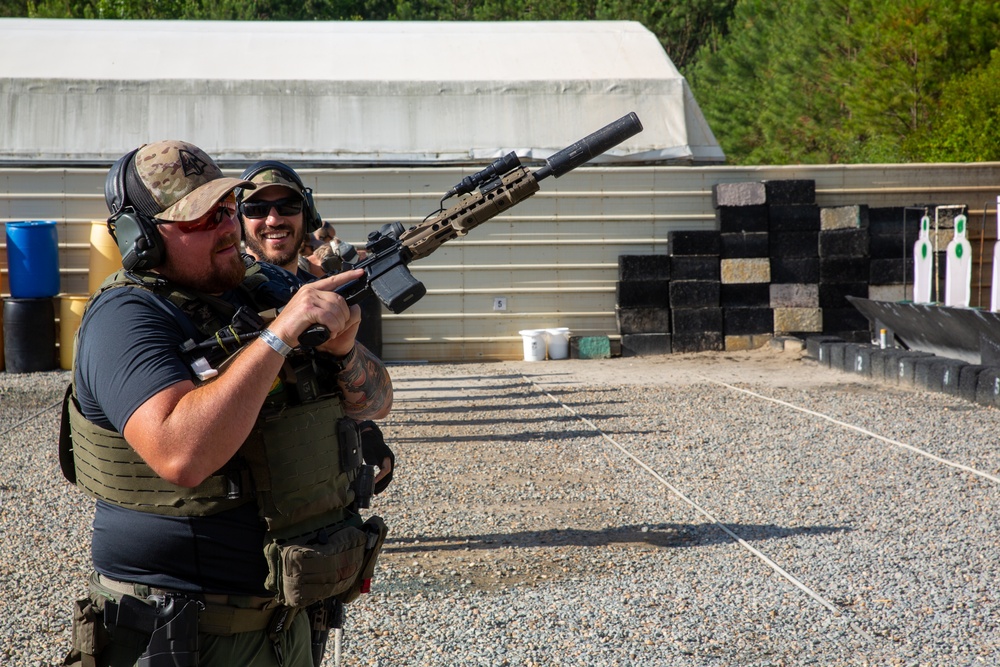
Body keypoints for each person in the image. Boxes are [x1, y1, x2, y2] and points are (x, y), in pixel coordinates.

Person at [60, 140, 392, 667]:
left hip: (284, 620)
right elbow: (181, 454)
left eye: (227, 209)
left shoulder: (253, 289)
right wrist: (280, 335)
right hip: (185, 634)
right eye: (200, 219)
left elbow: (376, 402)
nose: (227, 228)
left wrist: (343, 350)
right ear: (139, 238)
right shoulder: (125, 319)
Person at [237, 160, 393, 492]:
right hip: (258, 492)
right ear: (239, 220)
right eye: (256, 208)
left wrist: (364, 431)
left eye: (288, 206)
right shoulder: (224, 294)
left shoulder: (325, 292)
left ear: (307, 215)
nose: (274, 219)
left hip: (324, 492)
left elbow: (379, 404)